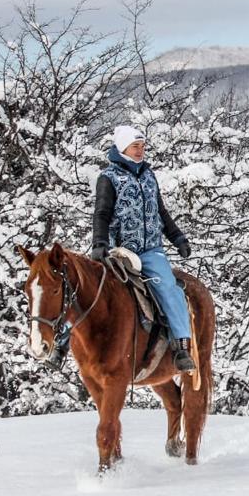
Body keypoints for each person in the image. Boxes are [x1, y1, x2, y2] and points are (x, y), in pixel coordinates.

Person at [91, 125, 195, 371]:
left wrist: (178, 238)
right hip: (119, 250)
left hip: (149, 250)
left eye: (142, 146)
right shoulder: (109, 177)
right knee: (84, 287)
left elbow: (161, 212)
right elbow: (102, 213)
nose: (140, 151)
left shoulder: (149, 176)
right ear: (122, 147)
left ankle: (181, 347)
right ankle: (62, 342)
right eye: (135, 146)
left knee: (169, 287)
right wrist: (99, 243)